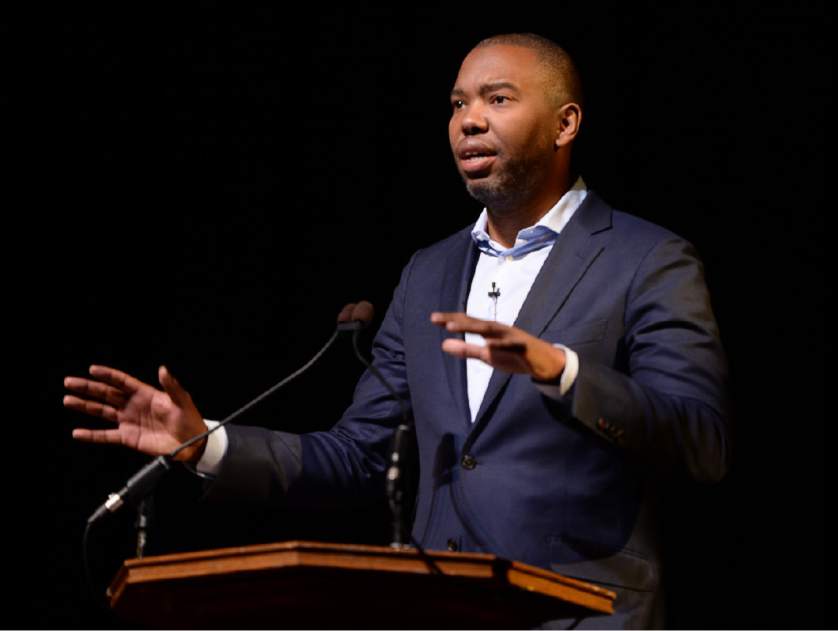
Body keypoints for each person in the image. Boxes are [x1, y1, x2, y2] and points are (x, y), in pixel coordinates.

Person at [64, 33, 730, 628]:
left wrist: (566, 371)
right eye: (457, 104)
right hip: (440, 610)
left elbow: (701, 440)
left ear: (565, 124)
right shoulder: (429, 272)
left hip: (584, 613)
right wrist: (204, 441)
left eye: (497, 99)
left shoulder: (647, 258)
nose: (469, 120)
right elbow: (359, 452)